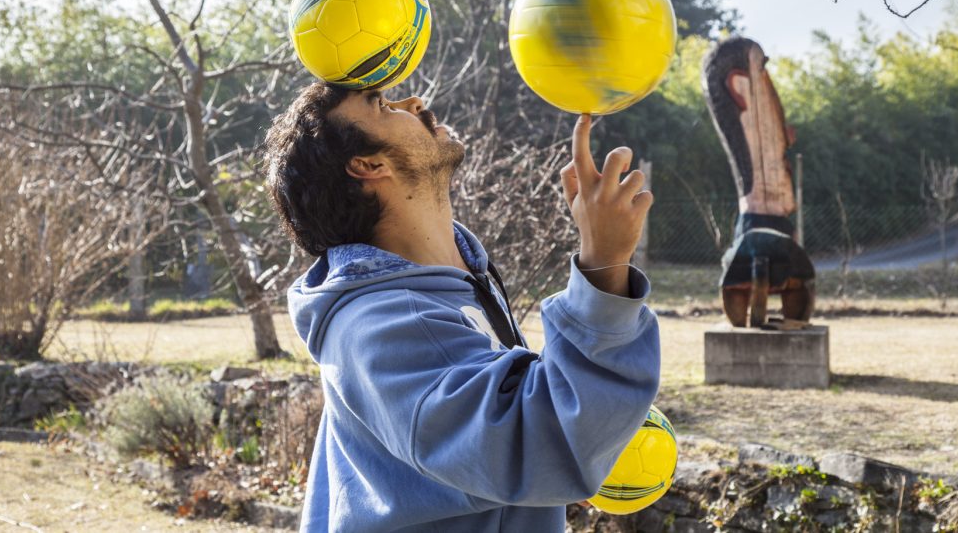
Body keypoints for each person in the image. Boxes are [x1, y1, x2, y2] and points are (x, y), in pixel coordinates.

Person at [263, 82, 661, 532]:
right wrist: (603, 267)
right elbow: (542, 445)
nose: (414, 103)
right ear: (368, 165)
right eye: (382, 105)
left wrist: (603, 420)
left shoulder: (454, 288)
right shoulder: (383, 325)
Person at [701, 36, 815, 327]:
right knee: (785, 268)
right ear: (739, 83)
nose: (767, 77)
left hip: (766, 221)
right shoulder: (747, 110)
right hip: (758, 218)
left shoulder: (768, 136)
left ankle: (781, 310)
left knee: (791, 270)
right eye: (761, 68)